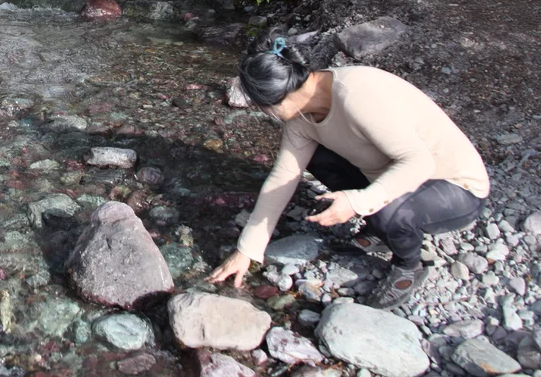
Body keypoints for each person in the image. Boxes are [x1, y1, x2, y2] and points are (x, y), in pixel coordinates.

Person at [207, 31, 490, 309]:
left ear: (277, 99)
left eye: (260, 106)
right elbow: (283, 176)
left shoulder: (356, 94)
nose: (262, 112)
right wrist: (247, 249)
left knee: (388, 212)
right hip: (395, 176)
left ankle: (409, 265)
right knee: (316, 158)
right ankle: (381, 227)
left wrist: (358, 201)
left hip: (456, 188)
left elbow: (420, 162)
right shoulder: (300, 114)